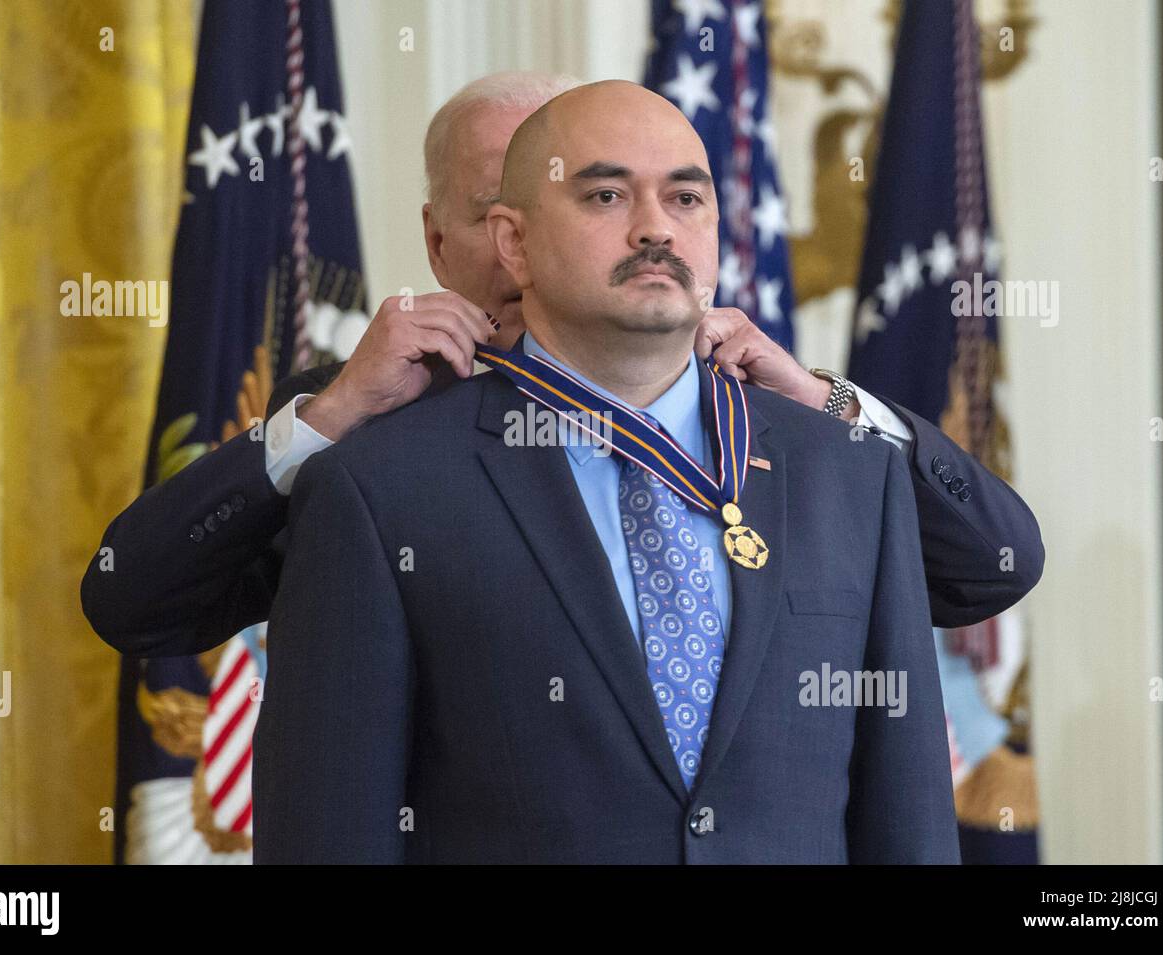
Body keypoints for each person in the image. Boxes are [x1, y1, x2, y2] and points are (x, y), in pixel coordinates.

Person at [81, 72, 1042, 662]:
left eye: (590, 191)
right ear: (447, 235)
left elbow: (987, 569)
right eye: (508, 207)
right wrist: (324, 419)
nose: (527, 247)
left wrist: (826, 402)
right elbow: (134, 599)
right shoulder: (363, 433)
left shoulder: (752, 413)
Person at [252, 80, 961, 863]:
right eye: (606, 195)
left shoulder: (851, 474)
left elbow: (911, 822)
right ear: (512, 243)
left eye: (686, 198)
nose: (656, 227)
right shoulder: (376, 487)